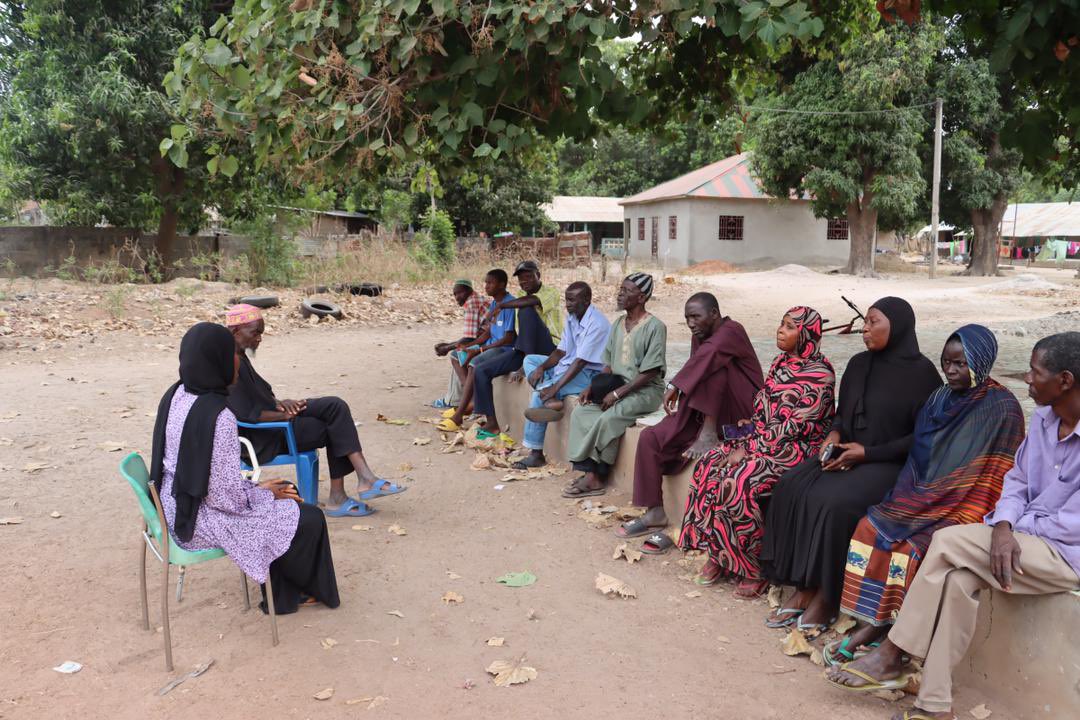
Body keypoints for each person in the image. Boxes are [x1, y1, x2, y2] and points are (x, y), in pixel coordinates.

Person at [825, 332, 1080, 720]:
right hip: (1024, 538)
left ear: (1065, 380)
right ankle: (935, 706)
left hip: (1064, 553)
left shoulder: (1005, 408)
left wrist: (1009, 530)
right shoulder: (1045, 421)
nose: (1027, 378)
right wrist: (1005, 525)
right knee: (957, 583)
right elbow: (1016, 482)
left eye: (1035, 371)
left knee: (945, 541)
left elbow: (1069, 527)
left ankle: (893, 651)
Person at [824, 325, 1025, 666]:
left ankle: (892, 640)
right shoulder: (938, 399)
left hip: (968, 501)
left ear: (981, 361)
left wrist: (939, 499)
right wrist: (909, 498)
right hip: (922, 495)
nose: (950, 371)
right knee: (870, 526)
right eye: (946, 362)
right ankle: (874, 623)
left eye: (960, 363)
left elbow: (996, 474)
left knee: (916, 547)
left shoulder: (1002, 408)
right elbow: (919, 459)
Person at [760, 297, 942, 633]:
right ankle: (804, 586)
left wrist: (867, 454)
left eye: (874, 322)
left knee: (834, 504)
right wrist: (834, 434)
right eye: (866, 322)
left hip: (891, 463)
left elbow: (922, 438)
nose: (865, 328)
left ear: (898, 326)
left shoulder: (924, 375)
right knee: (793, 486)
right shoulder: (858, 364)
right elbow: (843, 412)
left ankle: (828, 597)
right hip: (847, 452)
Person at [150, 322, 340, 614]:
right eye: (232, 354)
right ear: (218, 361)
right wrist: (262, 492)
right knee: (307, 515)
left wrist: (259, 489)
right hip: (199, 519)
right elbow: (226, 500)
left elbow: (209, 477)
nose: (239, 359)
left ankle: (287, 591)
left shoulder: (177, 394)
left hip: (173, 505)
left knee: (288, 497)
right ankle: (286, 598)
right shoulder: (219, 417)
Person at [679, 307, 836, 596]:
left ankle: (753, 566)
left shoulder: (820, 374)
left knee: (740, 479)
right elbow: (766, 413)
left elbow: (792, 428)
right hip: (764, 440)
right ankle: (720, 553)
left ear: (807, 334)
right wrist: (748, 428)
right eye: (781, 323)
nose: (781, 330)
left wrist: (747, 450)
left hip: (797, 449)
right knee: (710, 464)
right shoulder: (780, 363)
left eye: (790, 327)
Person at [614, 293, 763, 553]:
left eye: (696, 316)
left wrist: (676, 385)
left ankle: (708, 434)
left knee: (716, 368)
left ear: (715, 314)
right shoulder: (700, 336)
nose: (691, 323)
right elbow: (697, 366)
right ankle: (654, 511)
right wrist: (681, 388)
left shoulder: (732, 331)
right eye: (687, 318)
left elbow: (708, 358)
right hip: (705, 409)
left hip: (740, 415)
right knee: (651, 438)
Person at [225, 304, 402, 519]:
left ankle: (364, 479)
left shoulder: (239, 355)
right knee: (331, 428)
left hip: (276, 419)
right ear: (235, 331)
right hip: (264, 436)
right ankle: (344, 493)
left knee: (335, 405)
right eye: (255, 333)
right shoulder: (227, 362)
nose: (259, 339)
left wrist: (282, 402)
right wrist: (283, 415)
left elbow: (260, 396)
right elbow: (244, 413)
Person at [563, 273, 667, 497]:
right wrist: (592, 386)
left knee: (610, 418)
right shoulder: (618, 323)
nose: (620, 294)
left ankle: (597, 477)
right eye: (621, 289)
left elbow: (651, 372)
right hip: (617, 387)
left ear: (641, 297)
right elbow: (608, 363)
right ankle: (588, 470)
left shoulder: (656, 327)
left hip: (645, 391)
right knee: (582, 412)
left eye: (626, 291)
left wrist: (618, 394)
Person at [438, 260, 562, 439]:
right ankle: (492, 423)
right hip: (523, 347)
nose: (524, 282)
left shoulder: (550, 293)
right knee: (480, 369)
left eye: (529, 277)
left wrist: (501, 306)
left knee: (526, 309)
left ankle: (525, 364)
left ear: (539, 276)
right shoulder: (519, 295)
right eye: (521, 279)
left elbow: (531, 302)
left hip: (548, 346)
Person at [513, 281, 610, 469]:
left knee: (538, 396)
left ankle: (535, 453)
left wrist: (553, 388)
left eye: (572, 300)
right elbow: (560, 352)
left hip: (588, 374)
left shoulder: (597, 324)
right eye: (566, 299)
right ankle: (552, 398)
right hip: (566, 367)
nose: (568, 304)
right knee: (530, 361)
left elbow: (580, 362)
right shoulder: (573, 318)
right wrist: (541, 367)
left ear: (587, 300)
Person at [433, 271, 515, 414]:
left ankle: (469, 403)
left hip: (504, 348)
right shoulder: (495, 303)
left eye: (490, 283)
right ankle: (467, 399)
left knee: (472, 363)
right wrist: (469, 347)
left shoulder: (507, 304)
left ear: (502, 284)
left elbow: (507, 339)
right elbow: (487, 333)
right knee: (458, 355)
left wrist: (478, 349)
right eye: (486, 282)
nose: (486, 286)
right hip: (491, 343)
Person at [431, 278, 490, 409]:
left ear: (469, 291)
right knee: (459, 352)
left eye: (460, 293)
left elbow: (469, 339)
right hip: (487, 339)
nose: (457, 297)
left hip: (491, 343)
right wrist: (448, 345)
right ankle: (454, 398)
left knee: (457, 355)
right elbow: (472, 337)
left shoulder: (471, 304)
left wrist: (447, 347)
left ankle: (466, 399)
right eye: (455, 294)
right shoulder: (476, 299)